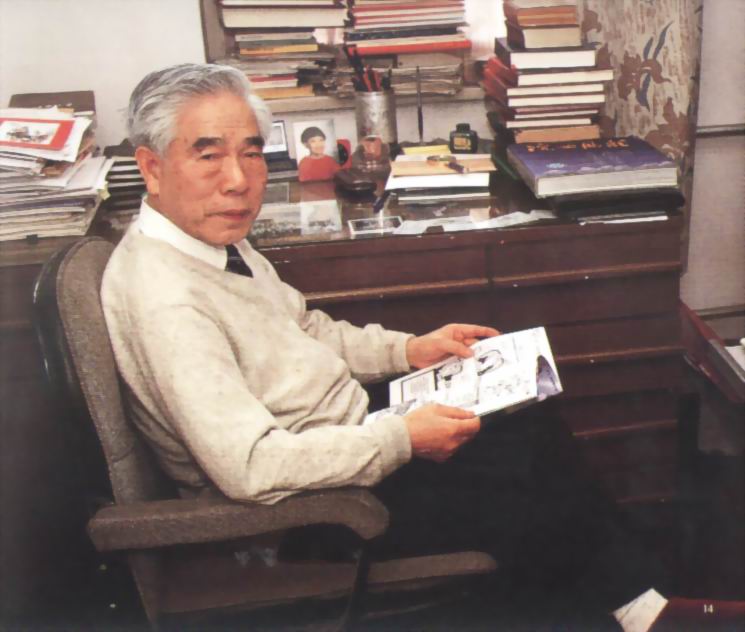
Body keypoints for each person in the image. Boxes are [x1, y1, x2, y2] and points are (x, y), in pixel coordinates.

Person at [101, 63, 743, 631]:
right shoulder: (166, 299)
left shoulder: (210, 242)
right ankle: (631, 610)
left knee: (527, 414)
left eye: (249, 153)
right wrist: (402, 439)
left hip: (346, 433)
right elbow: (251, 468)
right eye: (208, 156)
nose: (239, 180)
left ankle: (639, 606)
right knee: (524, 484)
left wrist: (410, 351)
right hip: (311, 513)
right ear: (151, 167)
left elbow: (305, 331)